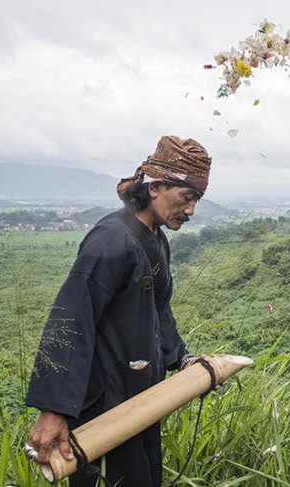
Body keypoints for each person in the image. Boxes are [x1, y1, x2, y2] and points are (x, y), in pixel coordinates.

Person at [25, 135, 212, 487]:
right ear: (155, 187)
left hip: (141, 399)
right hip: (104, 405)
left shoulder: (155, 238)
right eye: (186, 199)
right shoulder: (112, 239)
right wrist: (53, 410)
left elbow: (157, 312)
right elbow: (71, 321)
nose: (190, 211)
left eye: (195, 201)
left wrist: (183, 360)